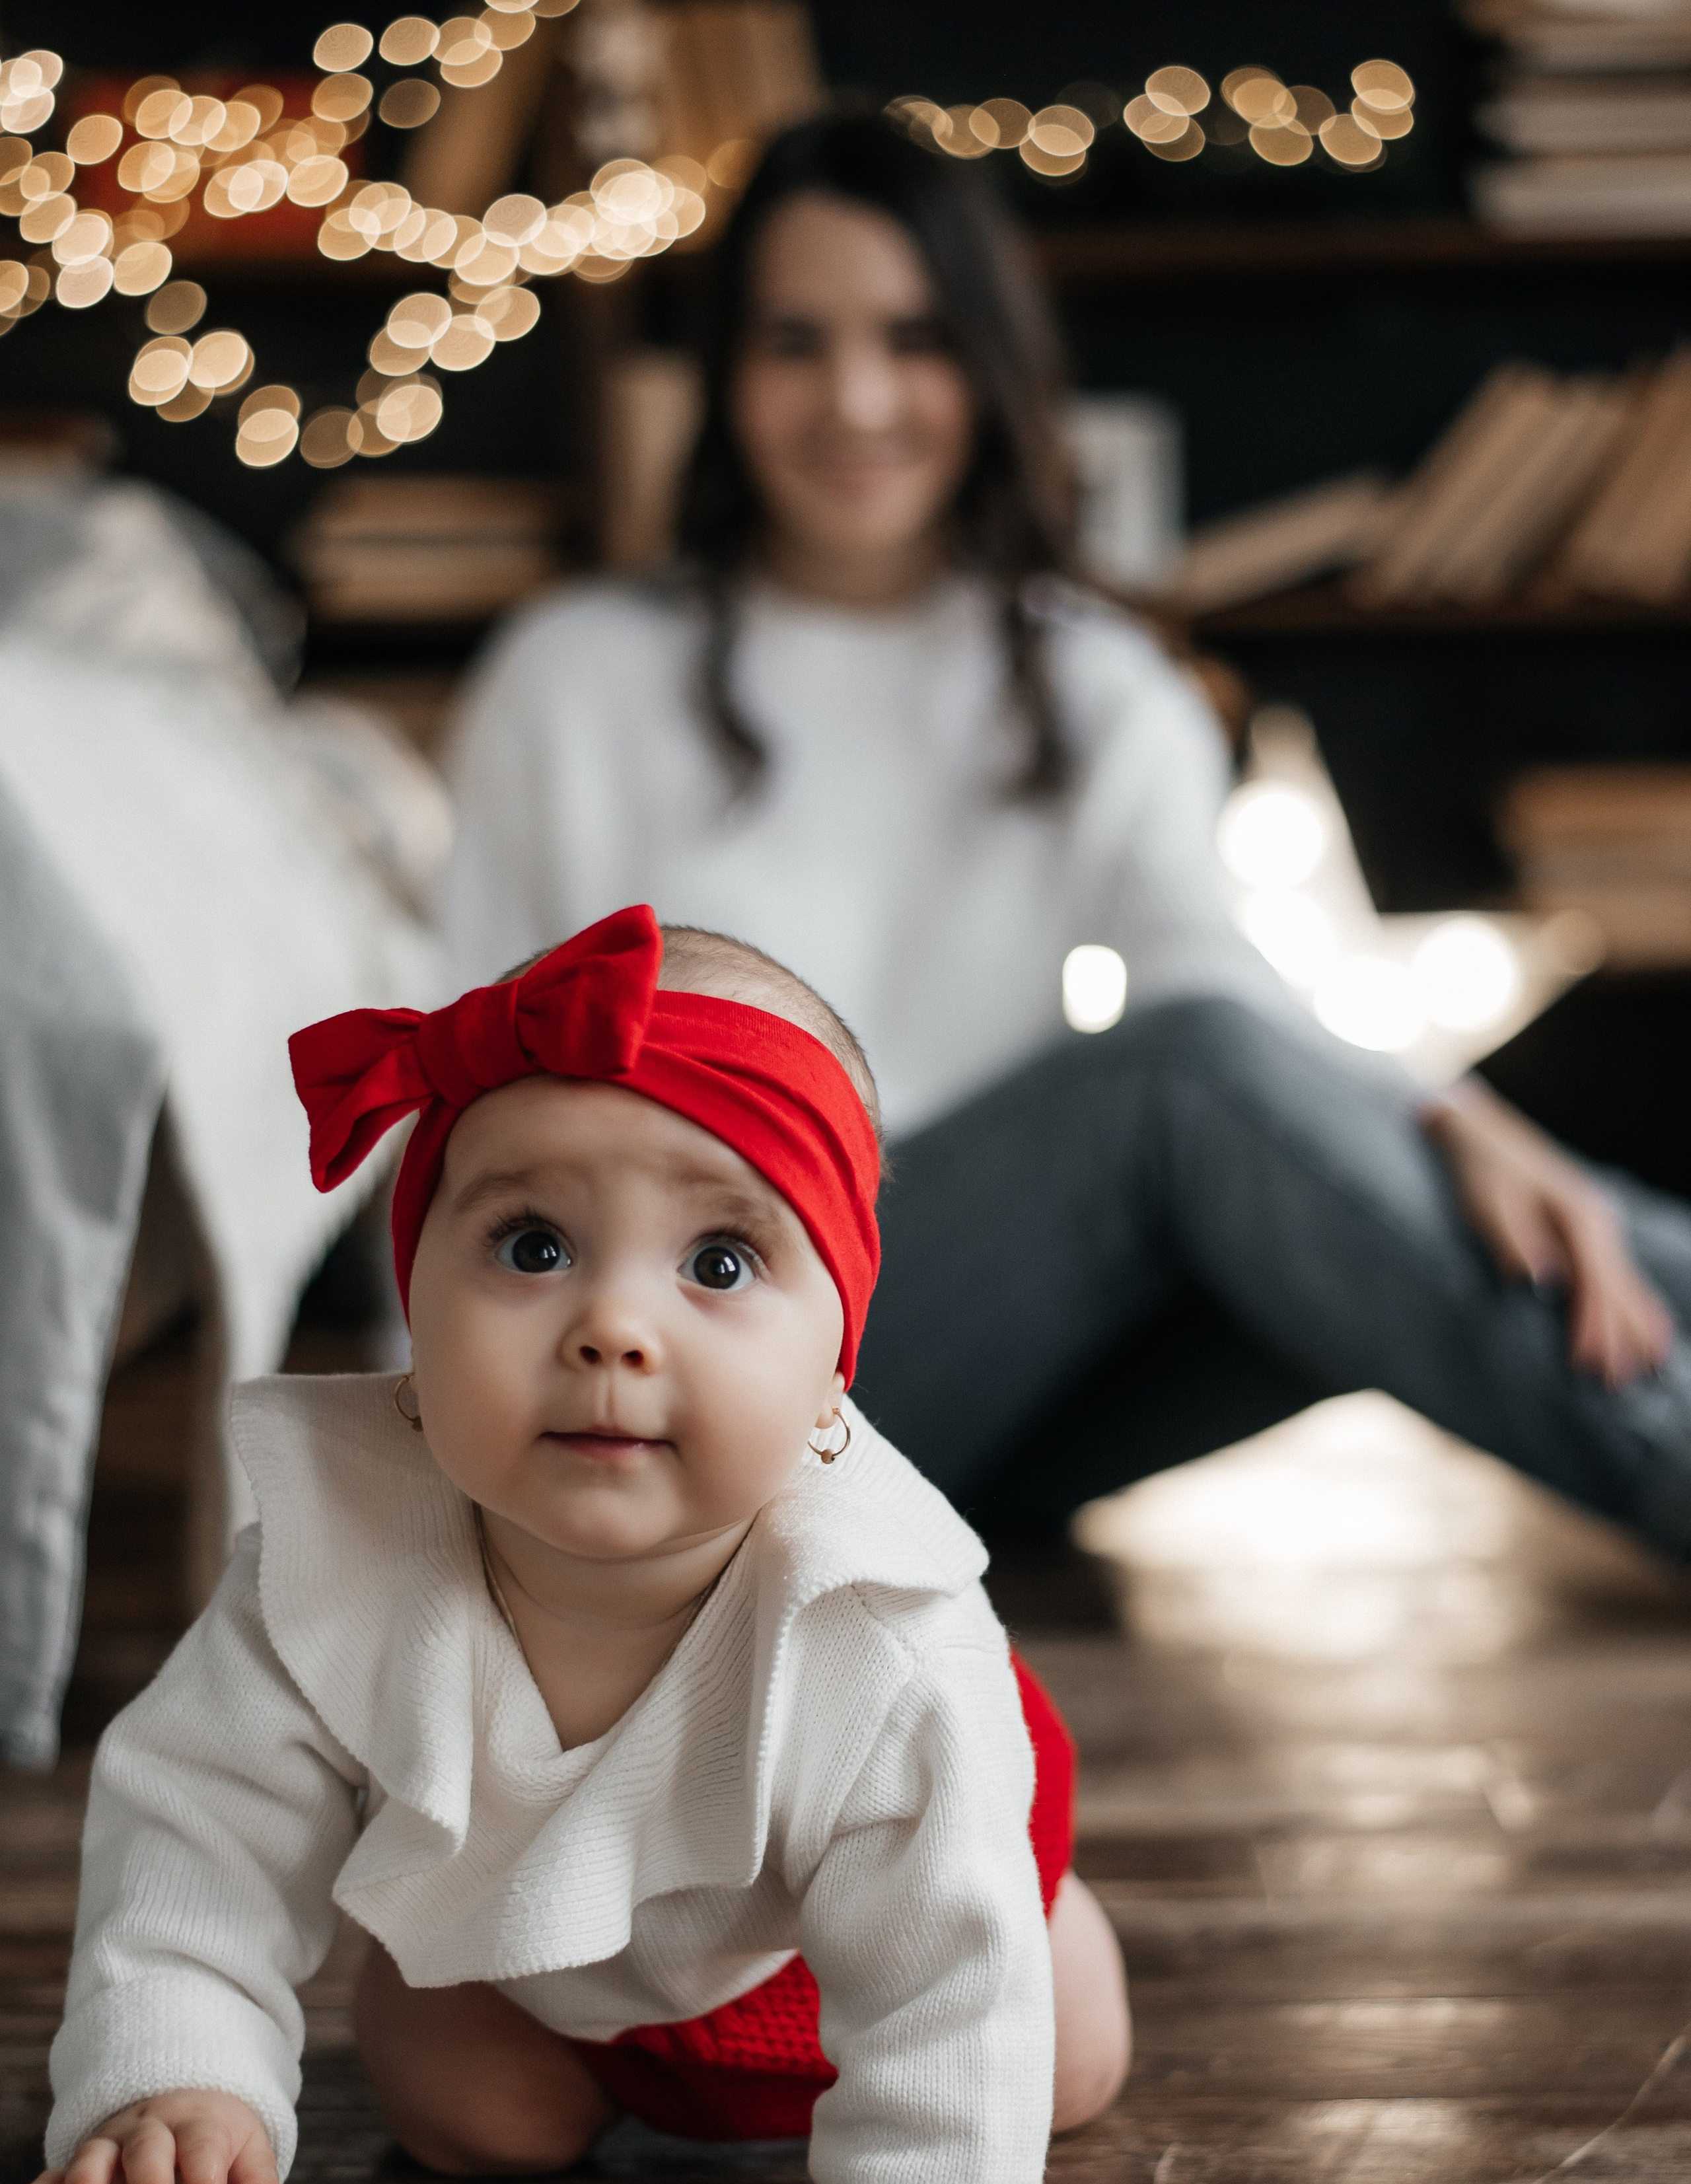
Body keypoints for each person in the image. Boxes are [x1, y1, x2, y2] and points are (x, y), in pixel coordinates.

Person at [445, 113, 1691, 1570]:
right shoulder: (575, 676)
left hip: (1006, 1392)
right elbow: (460, 1097)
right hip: (695, 1347)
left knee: (1361, 1184)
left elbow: (1197, 958)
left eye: (911, 338)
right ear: (722, 376)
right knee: (1185, 1088)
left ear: (988, 365)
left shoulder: (1091, 677)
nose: (855, 398)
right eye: (794, 341)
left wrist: (1454, 1118)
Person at [4, 907, 1131, 2184]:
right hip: (545, 1959)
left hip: (836, 1940)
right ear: (412, 1308)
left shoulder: (882, 1626)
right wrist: (179, 2061)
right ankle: (512, 2002)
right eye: (530, 1246)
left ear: (835, 1371)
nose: (612, 1326)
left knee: (1048, 2054)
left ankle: (1058, 1932)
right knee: (468, 2124)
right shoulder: (339, 1559)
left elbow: (943, 1983)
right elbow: (199, 1813)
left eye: (719, 1261)